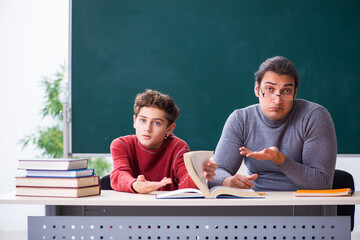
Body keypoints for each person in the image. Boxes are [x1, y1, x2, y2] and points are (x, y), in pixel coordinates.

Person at [208, 56, 337, 191]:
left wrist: (280, 160)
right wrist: (226, 181)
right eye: (270, 89)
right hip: (259, 203)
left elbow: (322, 183)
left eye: (286, 91)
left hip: (303, 205)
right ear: (257, 89)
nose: (277, 100)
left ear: (295, 93)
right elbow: (216, 172)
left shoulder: (314, 117)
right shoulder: (240, 119)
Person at [110, 89, 217, 193]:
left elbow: (186, 186)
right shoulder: (121, 145)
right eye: (142, 120)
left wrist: (198, 174)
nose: (147, 128)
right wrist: (135, 185)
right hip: (131, 208)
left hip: (166, 209)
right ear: (134, 121)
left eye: (156, 123)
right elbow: (118, 175)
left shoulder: (178, 147)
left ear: (169, 129)